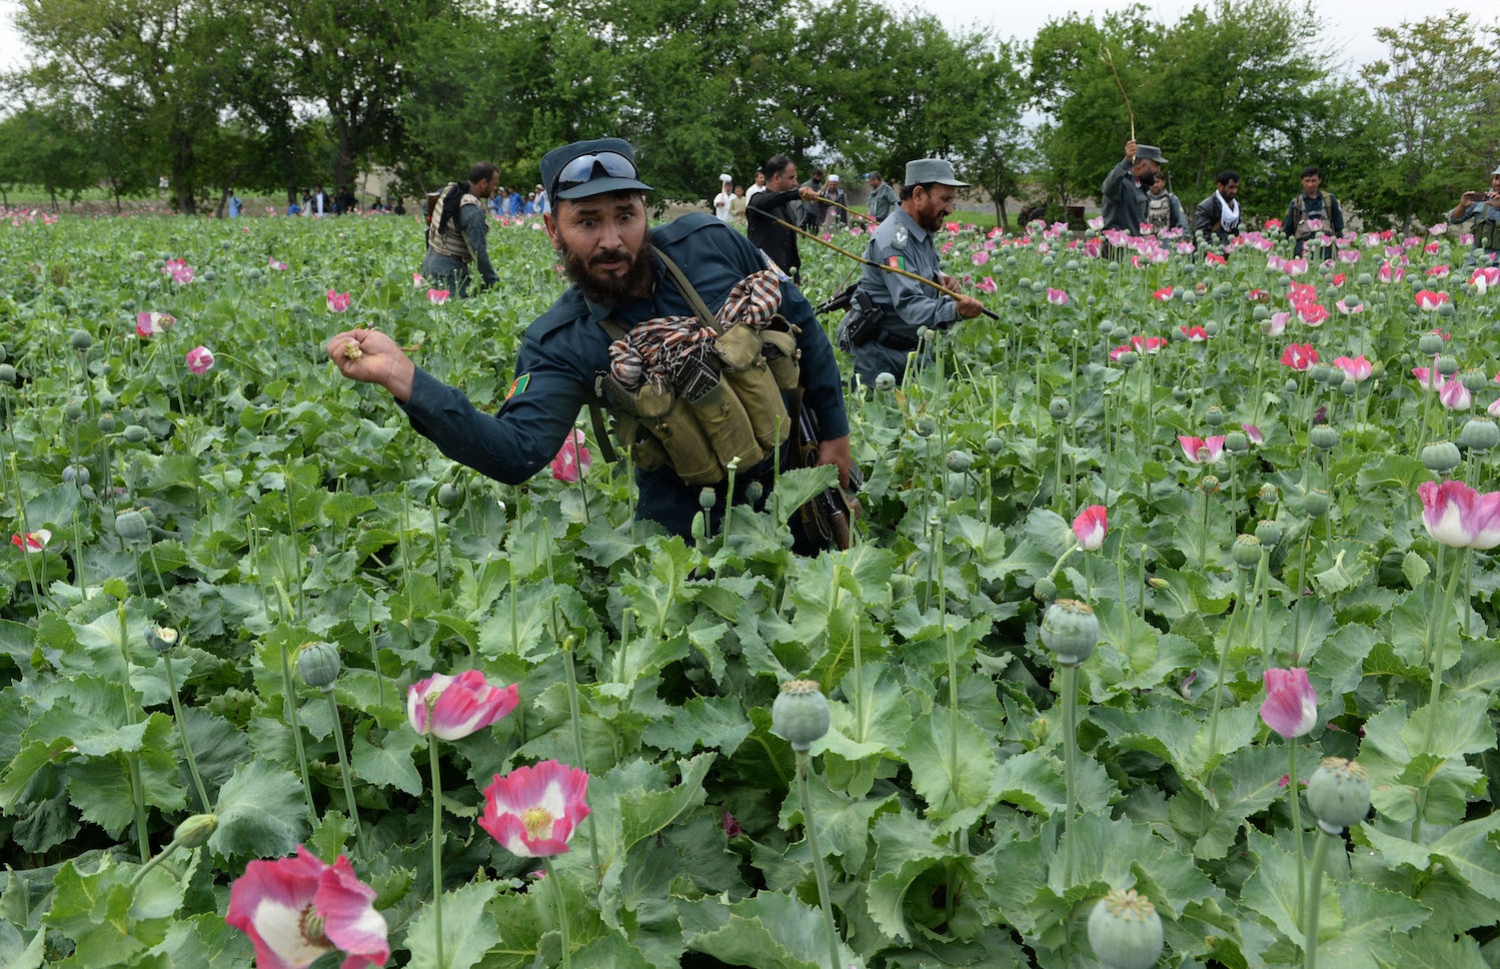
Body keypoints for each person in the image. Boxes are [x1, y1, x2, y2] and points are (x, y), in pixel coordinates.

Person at [326, 137, 851, 541]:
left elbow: (801, 322)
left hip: (798, 483)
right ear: (553, 231)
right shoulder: (561, 341)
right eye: (587, 221)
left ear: (645, 213)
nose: (611, 240)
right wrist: (406, 379)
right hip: (687, 531)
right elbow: (515, 453)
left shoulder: (710, 244)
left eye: (626, 215)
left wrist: (835, 434)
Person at [848, 158, 985, 388]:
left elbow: (917, 273)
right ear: (919, 194)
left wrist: (940, 279)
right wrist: (955, 309)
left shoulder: (921, 230)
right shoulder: (893, 240)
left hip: (914, 351)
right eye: (945, 199)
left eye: (952, 200)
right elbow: (909, 304)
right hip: (880, 358)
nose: (950, 209)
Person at [420, 162, 501, 297]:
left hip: (429, 262)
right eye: (494, 184)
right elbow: (479, 254)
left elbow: (425, 205)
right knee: (454, 314)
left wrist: (435, 232)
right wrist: (494, 283)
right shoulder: (472, 211)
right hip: (448, 271)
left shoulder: (449, 190)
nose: (495, 188)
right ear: (483, 183)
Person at [746, 154, 823, 285]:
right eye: (791, 178)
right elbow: (765, 201)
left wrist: (796, 278)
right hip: (762, 281)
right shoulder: (758, 201)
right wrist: (795, 194)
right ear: (776, 177)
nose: (795, 183)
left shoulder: (787, 208)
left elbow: (791, 246)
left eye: (796, 178)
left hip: (785, 280)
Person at [1101, 139, 1165, 236]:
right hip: (1117, 248)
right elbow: (1108, 187)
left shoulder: (1140, 186)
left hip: (1134, 247)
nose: (1158, 170)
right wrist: (1126, 161)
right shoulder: (1122, 183)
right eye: (1156, 165)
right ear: (1143, 166)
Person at [1284, 166, 1344, 259]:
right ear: (1302, 181)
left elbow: (1339, 227)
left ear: (1319, 180)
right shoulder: (1296, 203)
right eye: (1307, 181)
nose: (1310, 184)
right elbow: (1287, 230)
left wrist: (1341, 248)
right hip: (1302, 248)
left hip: (1326, 248)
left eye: (1313, 181)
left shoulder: (1330, 200)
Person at [1447, 165, 1500, 263]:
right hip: (1475, 261)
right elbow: (1453, 219)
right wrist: (1462, 206)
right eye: (1496, 178)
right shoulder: (1482, 200)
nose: (1498, 183)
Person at [1192, 170, 1241, 247]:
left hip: (1231, 251)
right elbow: (1202, 234)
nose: (1234, 191)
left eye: (1236, 187)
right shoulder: (1205, 207)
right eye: (1231, 187)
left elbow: (1236, 232)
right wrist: (1220, 249)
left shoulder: (1236, 207)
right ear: (1220, 186)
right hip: (1210, 252)